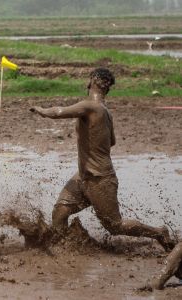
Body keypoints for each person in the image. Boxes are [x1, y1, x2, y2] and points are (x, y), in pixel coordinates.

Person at [30, 68, 173, 251]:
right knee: (60, 212)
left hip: (100, 179)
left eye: (89, 79)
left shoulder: (90, 106)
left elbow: (58, 112)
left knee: (115, 226)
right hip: (83, 176)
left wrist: (41, 109)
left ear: (93, 81)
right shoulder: (105, 111)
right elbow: (111, 142)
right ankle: (65, 249)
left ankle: (159, 232)